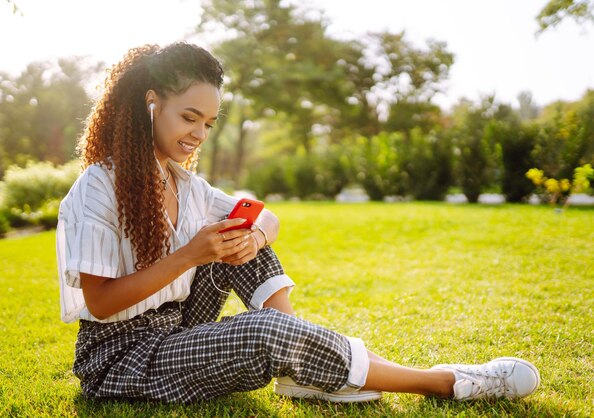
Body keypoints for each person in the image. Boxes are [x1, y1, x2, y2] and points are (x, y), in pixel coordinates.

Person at [56, 41, 540, 404]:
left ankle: (304, 367)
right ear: (151, 102)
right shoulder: (99, 186)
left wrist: (253, 234)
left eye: (208, 123)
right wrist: (191, 255)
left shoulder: (185, 185)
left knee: (241, 231)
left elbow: (267, 215)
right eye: (189, 117)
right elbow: (99, 303)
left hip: (178, 327)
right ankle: (443, 381)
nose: (198, 134)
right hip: (121, 358)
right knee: (260, 329)